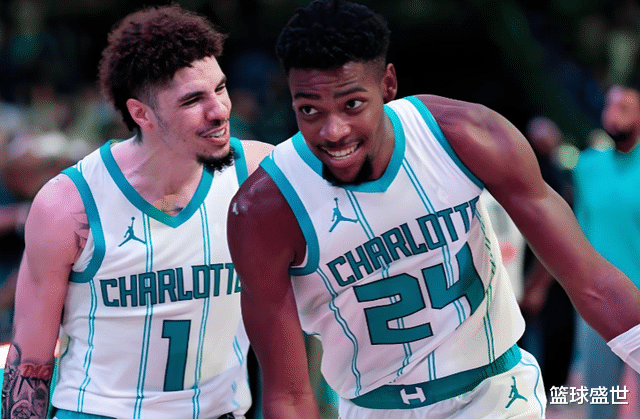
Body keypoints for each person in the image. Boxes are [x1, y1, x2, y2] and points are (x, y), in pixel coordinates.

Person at [226, 1, 640, 418]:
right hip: (373, 408)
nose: (334, 131)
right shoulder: (263, 209)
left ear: (388, 85)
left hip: (494, 394)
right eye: (310, 110)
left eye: (351, 104)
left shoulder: (465, 134)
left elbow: (591, 281)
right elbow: (288, 394)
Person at [2, 4, 272, 419]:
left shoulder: (257, 174)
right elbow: (30, 362)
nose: (219, 110)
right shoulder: (69, 204)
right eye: (193, 100)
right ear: (140, 113)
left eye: (220, 88)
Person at [572, 84, 640, 419]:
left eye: (623, 107)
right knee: (599, 405)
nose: (614, 114)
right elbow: (578, 232)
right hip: (601, 305)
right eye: (609, 106)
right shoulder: (586, 166)